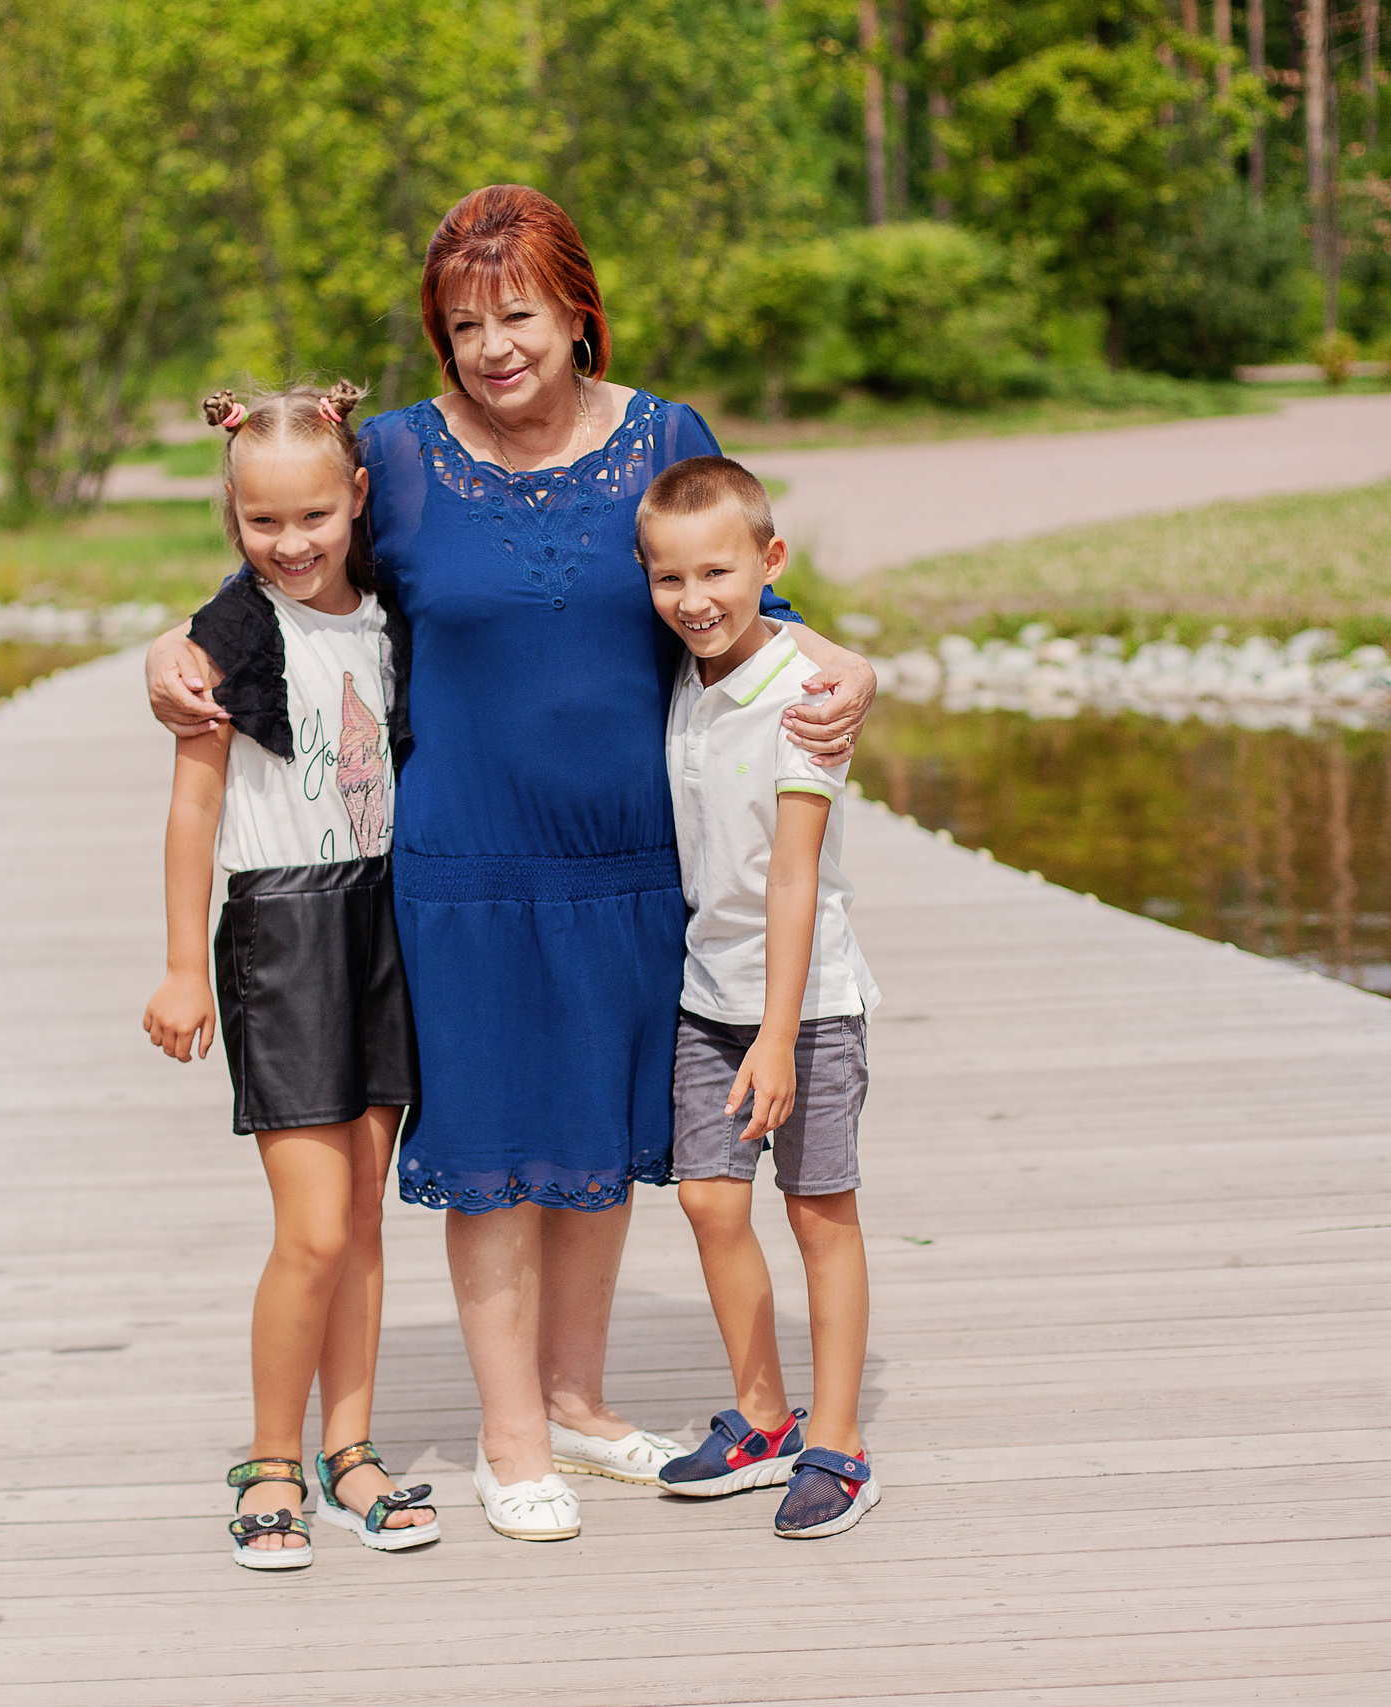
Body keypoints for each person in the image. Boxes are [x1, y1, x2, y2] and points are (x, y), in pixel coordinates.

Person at [145, 186, 877, 1544]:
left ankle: (583, 1399)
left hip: (628, 859)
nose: (494, 344)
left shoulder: (665, 436)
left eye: (520, 313)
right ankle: (511, 1432)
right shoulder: (403, 460)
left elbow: (741, 608)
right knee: (490, 1149)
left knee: (595, 1136)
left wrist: (851, 666)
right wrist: (171, 651)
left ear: (577, 312)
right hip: (460, 864)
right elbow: (290, 571)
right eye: (465, 320)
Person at [139, 380, 438, 1570]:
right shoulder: (227, 637)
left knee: (365, 1220)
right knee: (311, 1228)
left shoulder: (392, 618)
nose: (292, 543)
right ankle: (271, 1462)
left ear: (355, 497)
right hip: (286, 930)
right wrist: (182, 969)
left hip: (388, 924)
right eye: (263, 523)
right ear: (231, 514)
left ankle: (350, 1451)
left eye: (314, 516)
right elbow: (193, 807)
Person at [637, 456, 882, 1540]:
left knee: (818, 1214)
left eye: (717, 574)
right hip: (707, 992)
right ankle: (761, 1418)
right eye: (668, 578)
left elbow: (793, 875)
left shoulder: (803, 698)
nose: (694, 600)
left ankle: (837, 1442)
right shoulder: (683, 676)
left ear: (768, 565)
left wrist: (776, 1037)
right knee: (708, 1201)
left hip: (805, 1004)